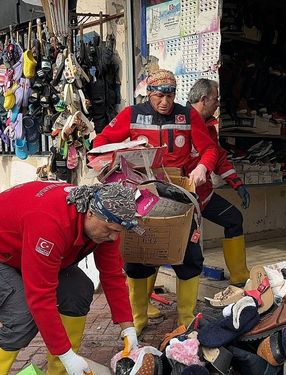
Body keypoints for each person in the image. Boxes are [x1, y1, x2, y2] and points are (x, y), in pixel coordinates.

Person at [0, 181, 139, 375]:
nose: (114, 238)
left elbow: (112, 275)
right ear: (90, 213)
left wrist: (128, 328)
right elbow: (40, 295)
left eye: (118, 232)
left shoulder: (107, 223)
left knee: (78, 290)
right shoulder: (51, 223)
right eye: (110, 230)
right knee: (21, 318)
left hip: (22, 246)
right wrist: (66, 354)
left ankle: (61, 372)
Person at [92, 69, 219, 335]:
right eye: (160, 96)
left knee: (188, 254)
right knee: (138, 254)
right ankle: (138, 318)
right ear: (148, 93)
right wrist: (110, 163)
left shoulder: (188, 115)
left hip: (178, 190)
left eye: (170, 95)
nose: (165, 102)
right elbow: (101, 141)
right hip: (143, 190)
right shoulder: (132, 114)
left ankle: (186, 316)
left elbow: (209, 148)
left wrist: (203, 168)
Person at [187, 78, 250, 286]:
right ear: (204, 99)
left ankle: (240, 275)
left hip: (203, 195)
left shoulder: (209, 128)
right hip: (182, 198)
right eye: (216, 99)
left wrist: (237, 184)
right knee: (173, 244)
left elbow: (219, 157)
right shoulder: (180, 123)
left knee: (233, 219)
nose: (218, 103)